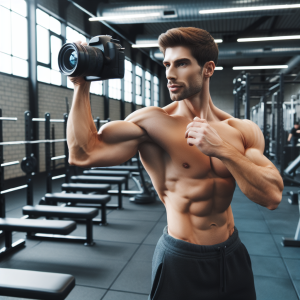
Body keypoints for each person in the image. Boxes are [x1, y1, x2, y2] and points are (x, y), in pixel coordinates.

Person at [67, 27, 284, 300]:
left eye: (181, 64)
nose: (169, 73)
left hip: (232, 254)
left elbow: (272, 196)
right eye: (167, 64)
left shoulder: (241, 130)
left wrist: (223, 150)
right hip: (181, 259)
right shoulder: (153, 123)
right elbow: (82, 153)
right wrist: (81, 85)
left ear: (208, 69)